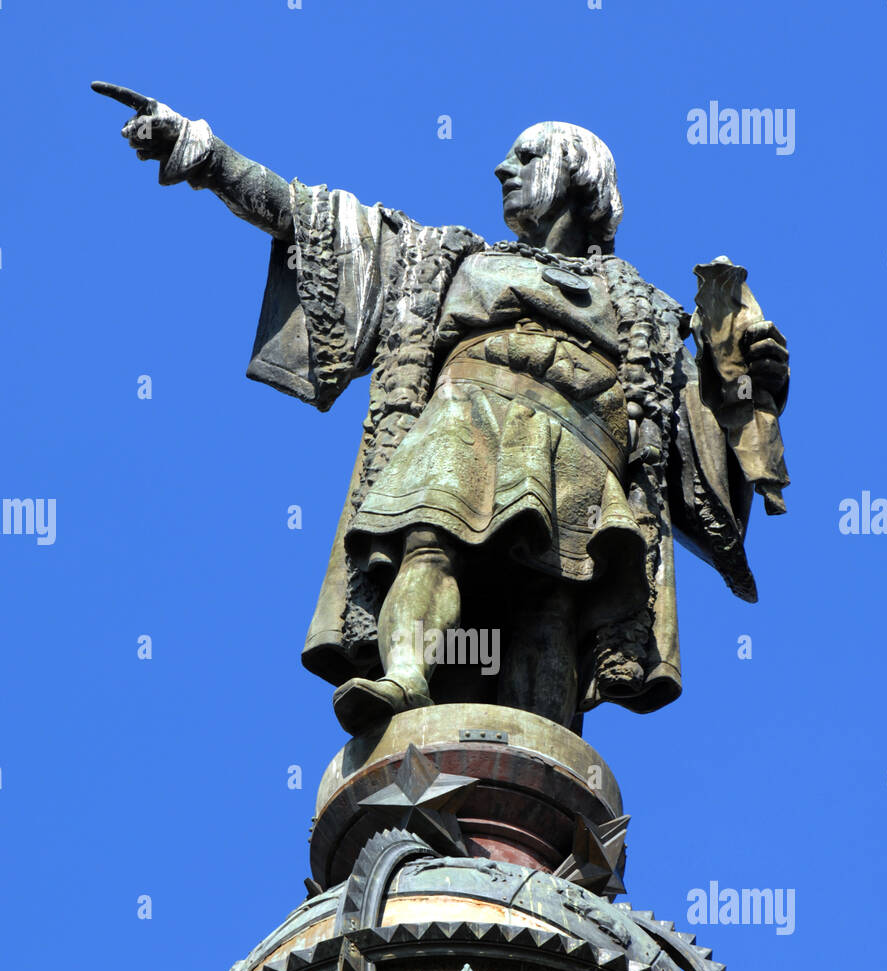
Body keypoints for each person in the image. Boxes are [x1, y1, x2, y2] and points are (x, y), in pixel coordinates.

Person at [94, 86, 790, 734]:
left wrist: (754, 374)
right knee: (428, 543)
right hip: (466, 416)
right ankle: (404, 676)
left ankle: (537, 741)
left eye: (525, 157)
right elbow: (309, 217)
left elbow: (712, 425)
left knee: (551, 596)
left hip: (584, 446)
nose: (501, 168)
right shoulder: (444, 258)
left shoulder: (649, 311)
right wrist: (204, 154)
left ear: (579, 175)